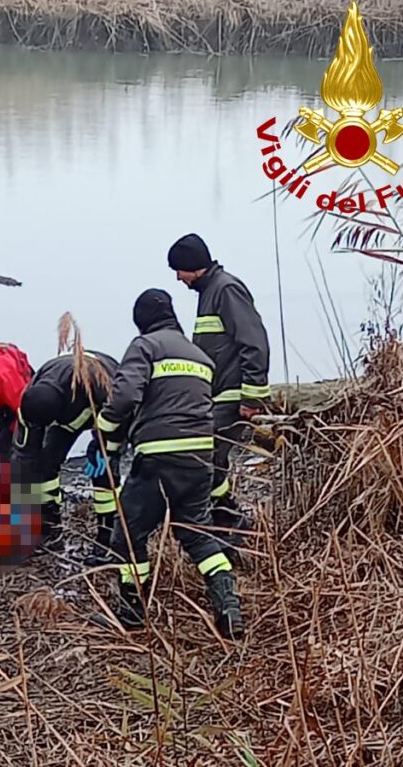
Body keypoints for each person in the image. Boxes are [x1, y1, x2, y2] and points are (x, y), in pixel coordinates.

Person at [93, 289, 244, 639]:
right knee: (197, 534)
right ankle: (229, 608)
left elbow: (126, 397)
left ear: (141, 321)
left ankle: (132, 613)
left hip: (159, 456)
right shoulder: (201, 356)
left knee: (128, 535)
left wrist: (102, 433)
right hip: (200, 457)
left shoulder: (145, 346)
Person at [168, 233, 271, 560]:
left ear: (193, 267)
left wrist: (252, 397)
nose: (178, 279)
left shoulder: (225, 289)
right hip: (217, 395)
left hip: (232, 396)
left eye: (179, 271)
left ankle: (222, 524)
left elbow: (255, 342)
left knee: (207, 456)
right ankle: (224, 514)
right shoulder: (209, 292)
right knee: (212, 458)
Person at [11, 350, 123, 561]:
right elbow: (24, 456)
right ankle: (48, 528)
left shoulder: (99, 385)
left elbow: (121, 413)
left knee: (103, 472)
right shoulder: (31, 402)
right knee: (44, 465)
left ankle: (109, 537)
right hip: (67, 413)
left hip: (104, 407)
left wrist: (103, 447)